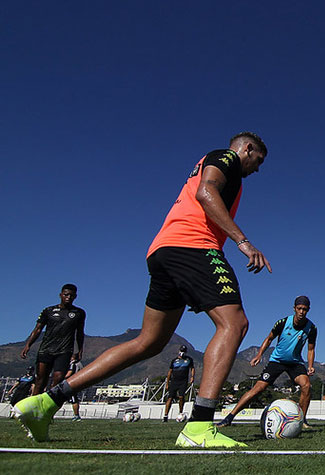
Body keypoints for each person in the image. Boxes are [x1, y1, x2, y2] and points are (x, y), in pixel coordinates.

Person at [13, 132, 271, 447]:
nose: (257, 169)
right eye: (258, 160)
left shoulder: (219, 167)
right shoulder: (225, 157)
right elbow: (206, 192)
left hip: (164, 251)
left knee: (148, 343)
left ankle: (45, 402)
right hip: (193, 246)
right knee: (234, 323)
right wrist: (243, 241)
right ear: (247, 149)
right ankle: (200, 427)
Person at [217, 296, 317, 429]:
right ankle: (229, 417)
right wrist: (259, 355)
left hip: (295, 362)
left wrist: (310, 365)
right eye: (299, 308)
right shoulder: (282, 323)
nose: (301, 312)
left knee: (306, 386)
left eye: (304, 309)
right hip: (277, 361)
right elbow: (269, 339)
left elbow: (311, 349)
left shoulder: (311, 328)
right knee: (258, 389)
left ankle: (302, 420)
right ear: (294, 308)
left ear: (308, 310)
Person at [20, 284, 86, 396]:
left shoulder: (79, 313)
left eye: (71, 295)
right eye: (66, 294)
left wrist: (79, 351)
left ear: (75, 296)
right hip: (46, 349)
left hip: (64, 350)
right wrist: (28, 345)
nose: (68, 297)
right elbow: (37, 329)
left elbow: (79, 333)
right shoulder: (48, 310)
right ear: (60, 295)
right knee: (41, 380)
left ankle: (48, 403)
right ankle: (34, 403)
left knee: (58, 378)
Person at [163, 345, 195, 422]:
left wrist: (192, 377)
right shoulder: (174, 360)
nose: (182, 353)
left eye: (184, 351)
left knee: (181, 397)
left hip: (183, 381)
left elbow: (192, 368)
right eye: (181, 351)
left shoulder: (189, 360)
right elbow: (170, 372)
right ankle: (165, 416)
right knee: (170, 398)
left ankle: (180, 412)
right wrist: (167, 383)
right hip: (174, 381)